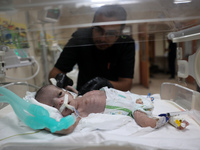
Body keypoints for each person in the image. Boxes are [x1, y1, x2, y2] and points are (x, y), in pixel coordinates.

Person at [49, 5, 135, 94]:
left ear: (120, 33)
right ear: (92, 25)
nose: (102, 39)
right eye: (98, 30)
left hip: (114, 96)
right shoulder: (80, 39)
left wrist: (107, 84)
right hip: (83, 95)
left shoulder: (126, 43)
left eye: (111, 33)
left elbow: (126, 84)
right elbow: (53, 74)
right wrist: (60, 80)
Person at [35, 85, 171, 135]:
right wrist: (45, 124)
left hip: (130, 97)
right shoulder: (78, 113)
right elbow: (66, 128)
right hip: (132, 108)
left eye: (60, 94)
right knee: (143, 120)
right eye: (54, 106)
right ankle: (161, 120)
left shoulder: (78, 96)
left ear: (67, 91)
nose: (60, 101)